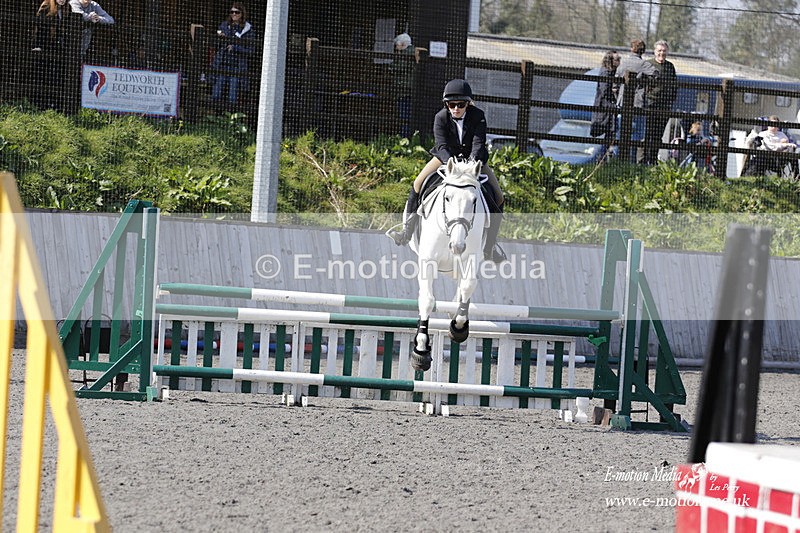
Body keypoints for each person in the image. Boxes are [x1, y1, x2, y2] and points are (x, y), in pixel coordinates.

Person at [388, 79, 506, 263]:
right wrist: (450, 161)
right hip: (445, 159)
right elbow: (441, 144)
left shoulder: (478, 116)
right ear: (446, 104)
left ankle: (490, 246)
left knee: (498, 196)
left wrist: (472, 162)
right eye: (452, 105)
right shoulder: (440, 117)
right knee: (418, 183)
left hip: (473, 162)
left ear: (468, 104)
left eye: (461, 105)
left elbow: (478, 142)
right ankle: (406, 231)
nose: (456, 108)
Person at [32, 0, 82, 112]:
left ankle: (55, 104)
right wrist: (40, 45)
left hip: (59, 48)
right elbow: (39, 27)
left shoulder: (67, 9)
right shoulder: (46, 5)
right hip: (45, 46)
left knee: (57, 76)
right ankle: (41, 104)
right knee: (44, 76)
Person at [616, 39, 659, 163]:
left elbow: (615, 81)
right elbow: (656, 74)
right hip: (638, 103)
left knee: (621, 133)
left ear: (631, 49)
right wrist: (647, 84)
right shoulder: (643, 64)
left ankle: (618, 162)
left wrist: (618, 95)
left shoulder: (623, 63)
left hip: (622, 103)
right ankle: (631, 162)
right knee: (637, 134)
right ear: (643, 51)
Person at [210, 3, 255, 108]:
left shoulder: (248, 29)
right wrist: (220, 37)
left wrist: (235, 48)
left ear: (242, 14)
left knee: (232, 97)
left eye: (236, 12)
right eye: (232, 12)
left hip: (236, 68)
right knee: (216, 94)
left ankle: (231, 116)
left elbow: (251, 50)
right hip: (222, 64)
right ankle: (215, 115)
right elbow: (216, 43)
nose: (234, 14)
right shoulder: (225, 25)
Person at [643, 40, 678, 165]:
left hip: (665, 106)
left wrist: (671, 100)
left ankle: (653, 161)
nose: (661, 53)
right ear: (655, 51)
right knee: (648, 133)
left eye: (664, 51)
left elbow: (674, 85)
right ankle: (644, 160)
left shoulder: (670, 67)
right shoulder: (648, 64)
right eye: (659, 50)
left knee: (658, 135)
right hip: (650, 104)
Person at [590, 50, 620, 150]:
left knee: (610, 134)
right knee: (606, 133)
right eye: (617, 59)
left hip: (609, 108)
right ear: (610, 60)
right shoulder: (605, 72)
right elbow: (604, 91)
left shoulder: (612, 72)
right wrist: (614, 95)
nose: (619, 61)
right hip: (604, 108)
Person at [389, 33, 416, 138]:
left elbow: (401, 67)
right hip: (408, 89)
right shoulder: (412, 52)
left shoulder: (406, 54)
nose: (396, 48)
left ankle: (405, 137)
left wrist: (391, 67)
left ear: (403, 44)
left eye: (397, 45)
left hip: (404, 89)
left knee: (404, 115)